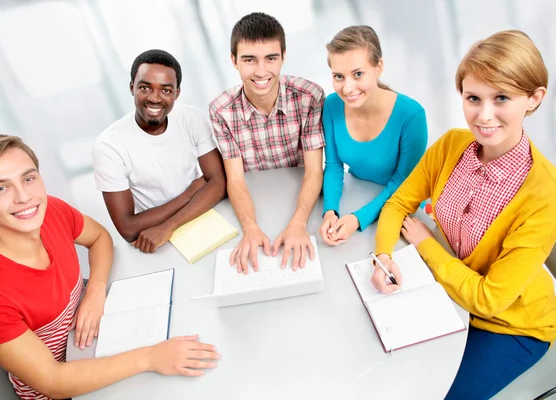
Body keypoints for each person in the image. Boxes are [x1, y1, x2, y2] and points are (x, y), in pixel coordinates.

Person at [0, 135, 219, 399]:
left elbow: (99, 238)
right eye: (1, 188)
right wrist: (150, 358)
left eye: (28, 178)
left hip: (100, 339)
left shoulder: (50, 211)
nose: (24, 197)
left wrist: (94, 291)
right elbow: (52, 381)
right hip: (69, 386)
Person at [371, 30, 555, 399]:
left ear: (533, 99)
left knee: (431, 393)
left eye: (501, 97)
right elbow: (397, 203)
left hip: (511, 323)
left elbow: (489, 299)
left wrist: (424, 242)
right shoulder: (452, 145)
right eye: (473, 98)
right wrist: (383, 257)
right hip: (451, 290)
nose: (483, 116)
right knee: (386, 373)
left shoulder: (544, 193)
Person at [209, 12, 325, 273]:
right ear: (234, 61)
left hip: (300, 196)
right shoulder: (220, 111)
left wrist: (298, 224)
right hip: (254, 197)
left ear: (283, 56)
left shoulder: (310, 96)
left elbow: (314, 170)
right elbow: (235, 180)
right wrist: (250, 228)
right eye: (249, 60)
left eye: (270, 58)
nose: (261, 71)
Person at [93, 49, 226, 254]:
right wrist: (191, 193)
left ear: (177, 93)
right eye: (145, 88)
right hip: (152, 240)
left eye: (165, 90)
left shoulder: (191, 119)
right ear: (132, 88)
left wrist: (169, 226)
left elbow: (219, 183)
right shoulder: (108, 146)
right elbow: (128, 228)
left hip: (199, 218)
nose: (155, 98)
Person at [319, 26, 427, 246]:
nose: (347, 88)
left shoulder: (411, 116)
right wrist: (330, 211)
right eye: (338, 76)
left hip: (403, 208)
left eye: (358, 74)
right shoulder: (331, 105)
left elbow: (403, 182)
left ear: (378, 67)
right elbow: (333, 165)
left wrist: (358, 218)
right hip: (358, 193)